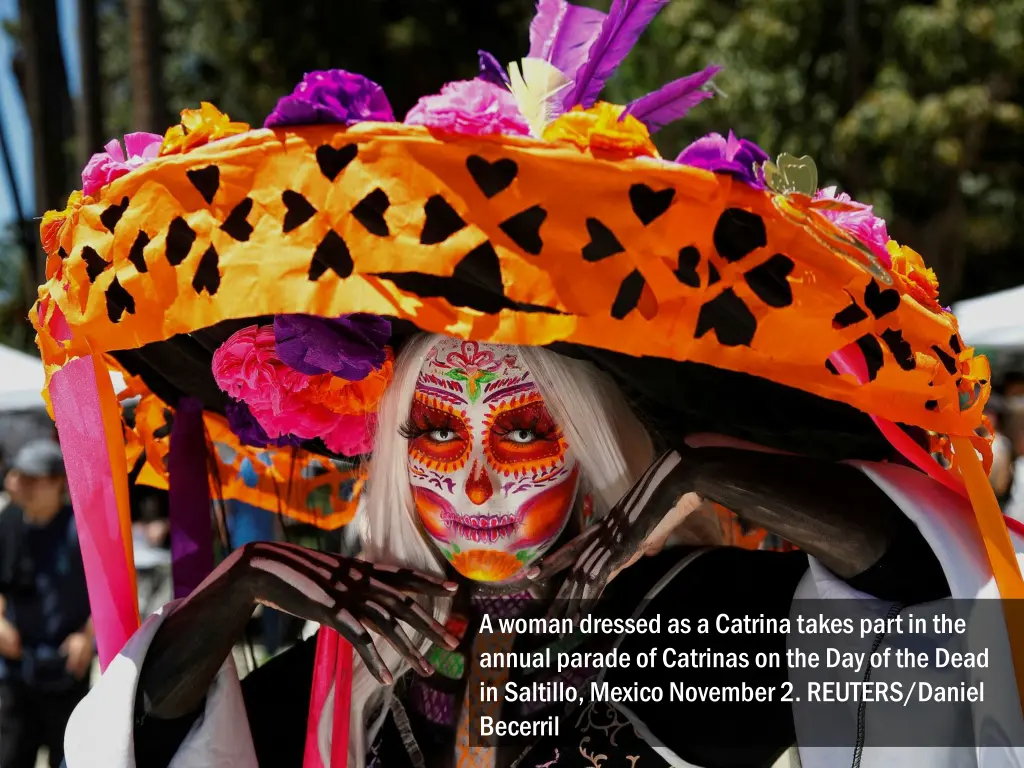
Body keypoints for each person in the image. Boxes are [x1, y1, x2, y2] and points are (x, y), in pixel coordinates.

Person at [33, 1, 1020, 764]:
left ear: (589, 446)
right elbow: (147, 741)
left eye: (517, 435)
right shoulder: (353, 665)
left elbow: (932, 621)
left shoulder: (678, 626)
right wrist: (238, 586)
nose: (469, 484)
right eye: (432, 436)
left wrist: (702, 470)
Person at [0, 440, 92, 768]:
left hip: (66, 667)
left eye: (32, 479)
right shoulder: (9, 523)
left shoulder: (80, 529)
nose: (20, 485)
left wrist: (88, 636)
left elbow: (108, 593)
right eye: (19, 477)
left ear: (58, 483)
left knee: (68, 758)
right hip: (15, 669)